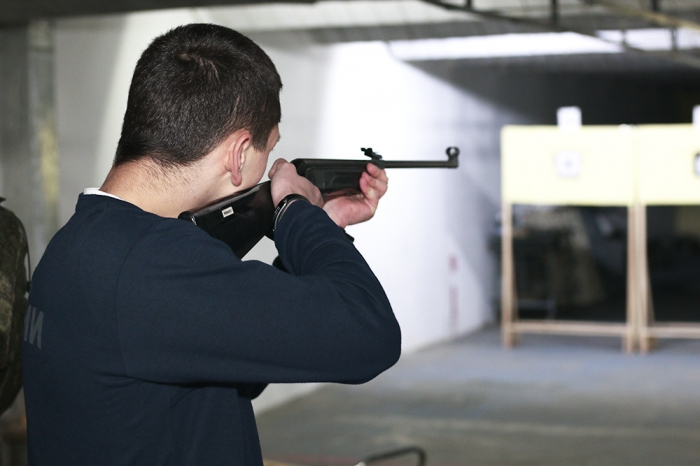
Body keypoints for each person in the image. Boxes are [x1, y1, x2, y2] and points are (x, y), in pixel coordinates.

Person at [22, 24, 400, 465]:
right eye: (268, 150)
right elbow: (369, 334)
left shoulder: (79, 245)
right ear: (238, 154)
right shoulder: (156, 265)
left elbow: (244, 348)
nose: (266, 168)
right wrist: (295, 209)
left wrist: (323, 226)